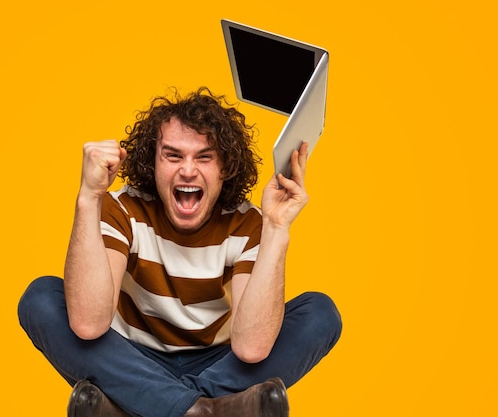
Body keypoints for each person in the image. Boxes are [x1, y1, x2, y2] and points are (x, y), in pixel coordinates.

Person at [18, 87, 342, 417]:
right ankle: (202, 411)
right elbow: (89, 323)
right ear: (153, 164)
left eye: (204, 157)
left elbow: (251, 347)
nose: (187, 170)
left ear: (224, 168)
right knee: (40, 298)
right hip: (129, 359)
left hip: (218, 362)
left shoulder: (247, 223)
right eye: (173, 156)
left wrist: (276, 228)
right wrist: (89, 196)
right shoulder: (123, 210)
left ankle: (146, 405)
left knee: (320, 314)